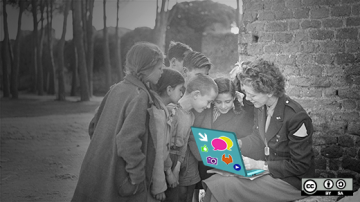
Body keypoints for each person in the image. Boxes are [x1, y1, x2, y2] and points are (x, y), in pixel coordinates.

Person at [203, 58, 315, 202]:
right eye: (246, 93)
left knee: (223, 185)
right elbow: (258, 138)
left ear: (269, 91)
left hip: (293, 182)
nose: (248, 99)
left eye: (252, 95)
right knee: (217, 180)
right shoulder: (262, 107)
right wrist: (237, 144)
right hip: (270, 173)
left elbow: (300, 165)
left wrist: (260, 165)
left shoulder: (296, 117)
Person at [72, 42, 164, 202]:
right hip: (118, 176)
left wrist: (104, 152)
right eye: (159, 68)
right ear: (147, 67)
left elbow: (93, 127)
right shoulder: (140, 95)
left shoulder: (116, 88)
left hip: (95, 169)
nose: (162, 72)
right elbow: (128, 141)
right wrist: (136, 177)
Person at [191, 77, 254, 189]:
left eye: (228, 101)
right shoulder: (205, 108)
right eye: (218, 102)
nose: (223, 106)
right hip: (199, 164)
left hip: (225, 169)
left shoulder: (241, 114)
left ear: (234, 97)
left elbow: (248, 141)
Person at [164, 73, 218, 202]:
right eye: (208, 101)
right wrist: (170, 173)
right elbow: (162, 146)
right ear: (196, 94)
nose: (209, 106)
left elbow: (183, 146)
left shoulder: (191, 116)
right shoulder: (172, 113)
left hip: (183, 170)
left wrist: (176, 169)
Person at [149, 68, 185, 201]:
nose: (182, 93)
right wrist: (159, 186)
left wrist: (169, 171)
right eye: (180, 89)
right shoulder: (158, 114)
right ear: (169, 90)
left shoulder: (162, 110)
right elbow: (158, 151)